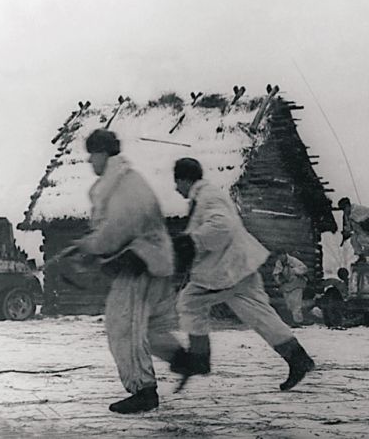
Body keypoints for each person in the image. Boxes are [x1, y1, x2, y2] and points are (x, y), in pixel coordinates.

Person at [171, 157, 315, 391]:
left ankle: (199, 357)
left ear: (185, 179)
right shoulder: (208, 195)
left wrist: (192, 241)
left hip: (226, 271)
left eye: (177, 182)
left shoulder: (207, 196)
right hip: (241, 267)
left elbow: (222, 226)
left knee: (189, 302)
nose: (176, 189)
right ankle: (298, 358)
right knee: (261, 315)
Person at [73, 129, 183, 414]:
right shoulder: (123, 179)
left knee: (122, 326)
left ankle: (144, 390)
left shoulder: (122, 183)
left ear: (103, 153)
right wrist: (92, 247)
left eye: (92, 155)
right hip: (150, 260)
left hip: (141, 262)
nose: (90, 161)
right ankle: (184, 360)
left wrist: (89, 246)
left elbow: (116, 231)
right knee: (146, 327)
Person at [272, 252, 309, 326]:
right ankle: (291, 320)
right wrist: (279, 279)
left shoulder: (294, 261)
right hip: (286, 285)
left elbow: (304, 268)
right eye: (279, 256)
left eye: (282, 255)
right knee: (289, 304)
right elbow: (276, 273)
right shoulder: (279, 263)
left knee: (296, 303)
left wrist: (295, 271)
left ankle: (298, 321)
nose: (281, 258)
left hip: (297, 284)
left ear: (285, 254)